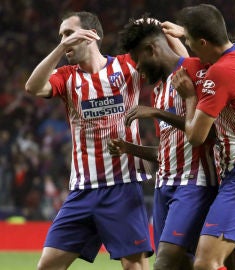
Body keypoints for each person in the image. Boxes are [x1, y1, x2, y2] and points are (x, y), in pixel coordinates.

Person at [24, 11, 154, 270]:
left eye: (69, 33)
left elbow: (171, 61)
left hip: (123, 186)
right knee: (46, 266)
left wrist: (154, 31)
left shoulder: (127, 65)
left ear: (91, 35)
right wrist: (60, 48)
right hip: (82, 190)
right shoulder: (67, 75)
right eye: (61, 35)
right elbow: (33, 87)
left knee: (134, 266)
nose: (64, 40)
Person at [164, 4, 235, 270]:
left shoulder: (220, 72)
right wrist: (184, 32)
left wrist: (190, 96)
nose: (189, 48)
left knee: (206, 262)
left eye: (190, 42)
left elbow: (195, 137)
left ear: (203, 41)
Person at [109, 16, 218, 270]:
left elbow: (210, 133)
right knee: (182, 264)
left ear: (152, 49)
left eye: (137, 59)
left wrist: (158, 113)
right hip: (164, 186)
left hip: (195, 182)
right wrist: (129, 149)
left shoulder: (196, 71)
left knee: (165, 262)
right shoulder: (159, 90)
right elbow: (168, 152)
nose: (136, 67)